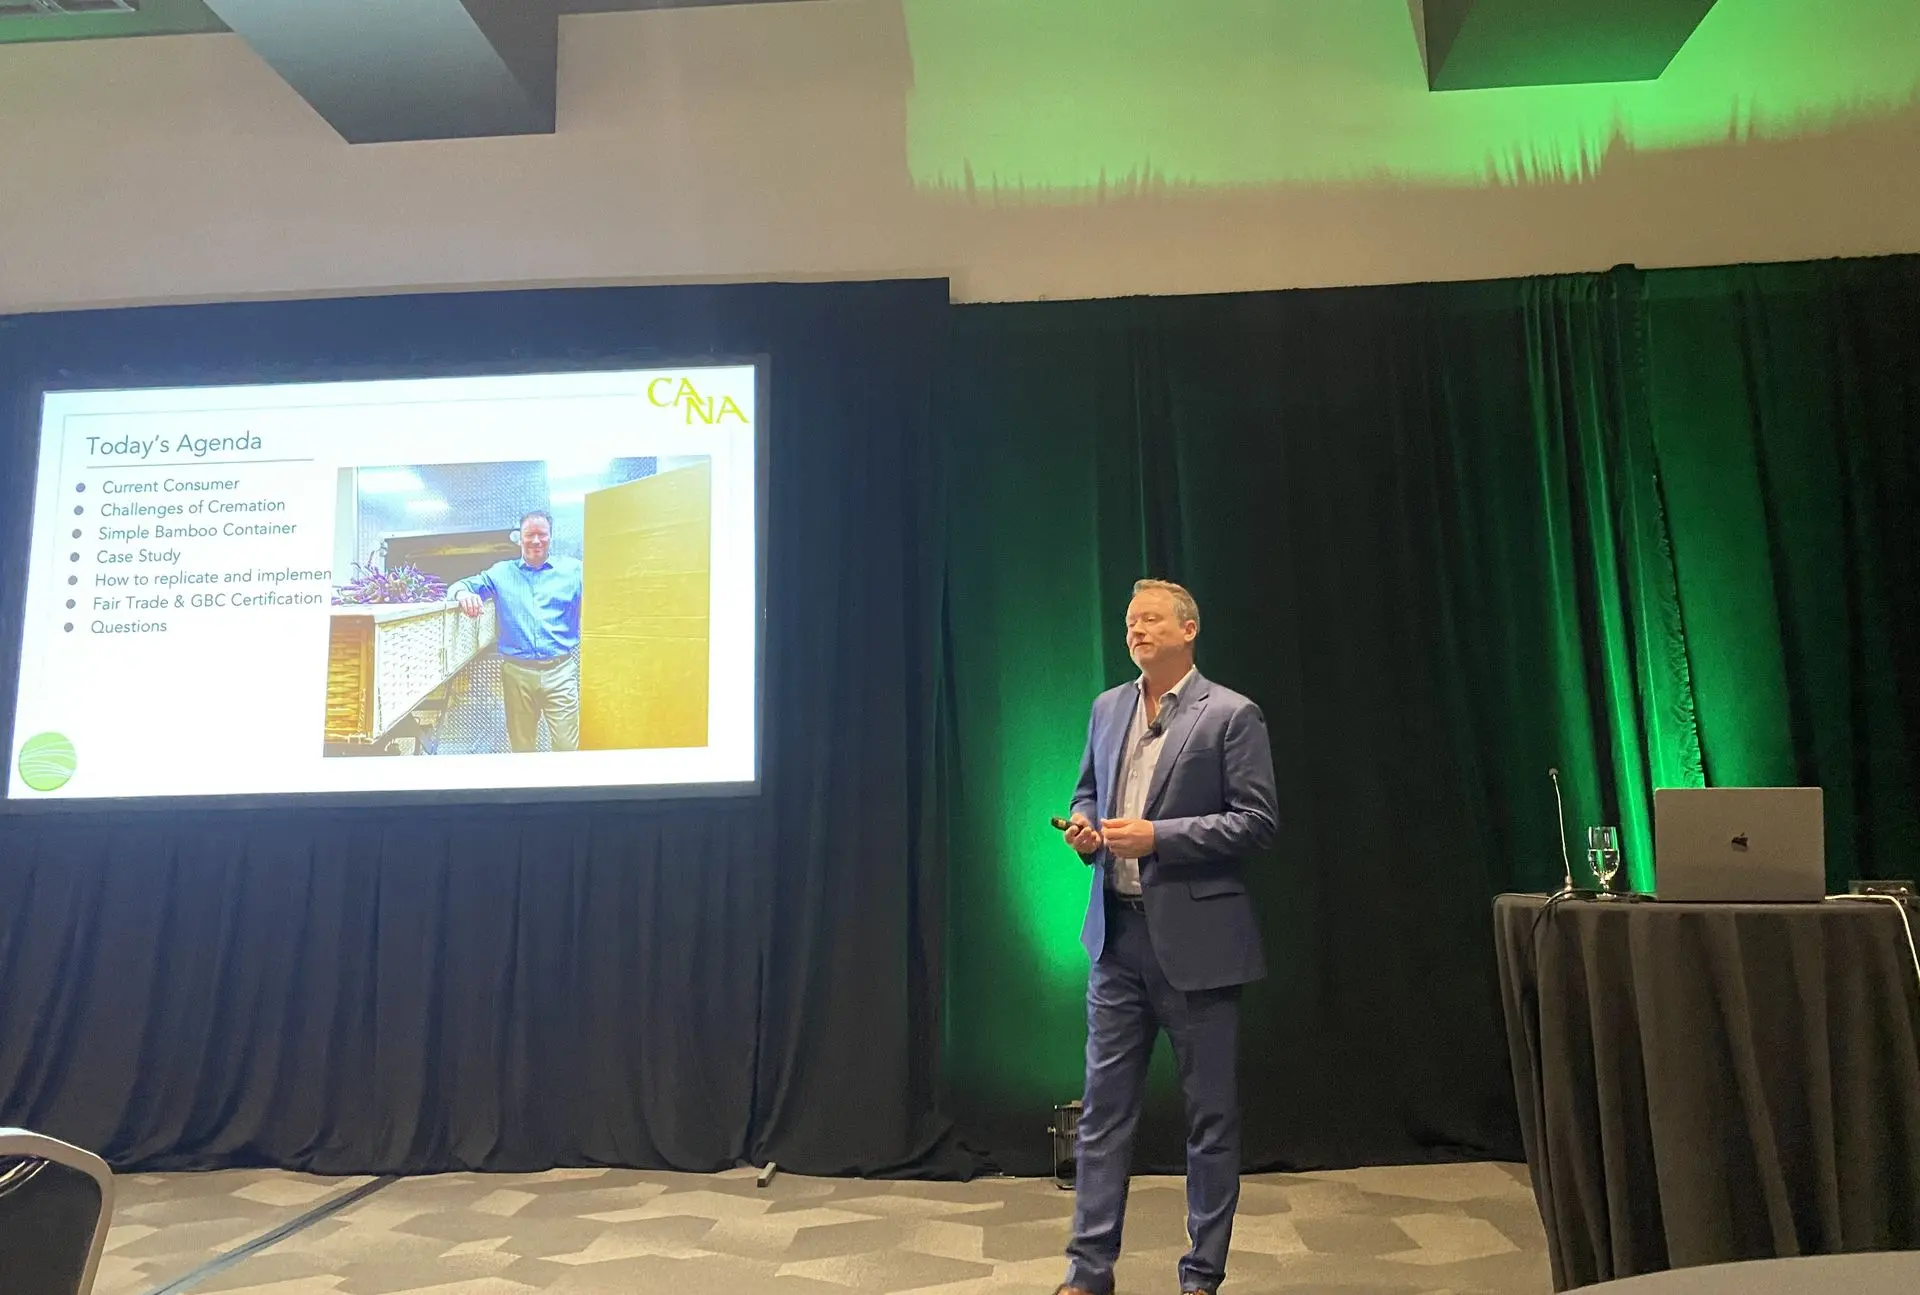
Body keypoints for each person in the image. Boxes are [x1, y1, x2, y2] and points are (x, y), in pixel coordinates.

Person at [1055, 579, 1278, 1295]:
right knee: (1102, 1114)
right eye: (1130, 621)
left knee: (1210, 1120)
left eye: (1150, 619)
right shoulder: (1107, 707)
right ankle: (1088, 1274)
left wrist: (1160, 836)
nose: (1137, 630)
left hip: (1200, 947)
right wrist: (1085, 829)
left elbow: (1257, 822)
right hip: (1116, 941)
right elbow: (1087, 790)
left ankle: (1200, 1277)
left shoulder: (1232, 714)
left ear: (1189, 629)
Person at [451, 509, 583, 753]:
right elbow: (461, 585)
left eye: (542, 534)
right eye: (529, 534)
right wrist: (463, 594)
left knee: (567, 749)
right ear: (519, 538)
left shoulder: (574, 571)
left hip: (560, 671)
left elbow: (602, 597)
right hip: (517, 674)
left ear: (551, 536)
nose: (536, 540)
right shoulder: (501, 573)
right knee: (522, 750)